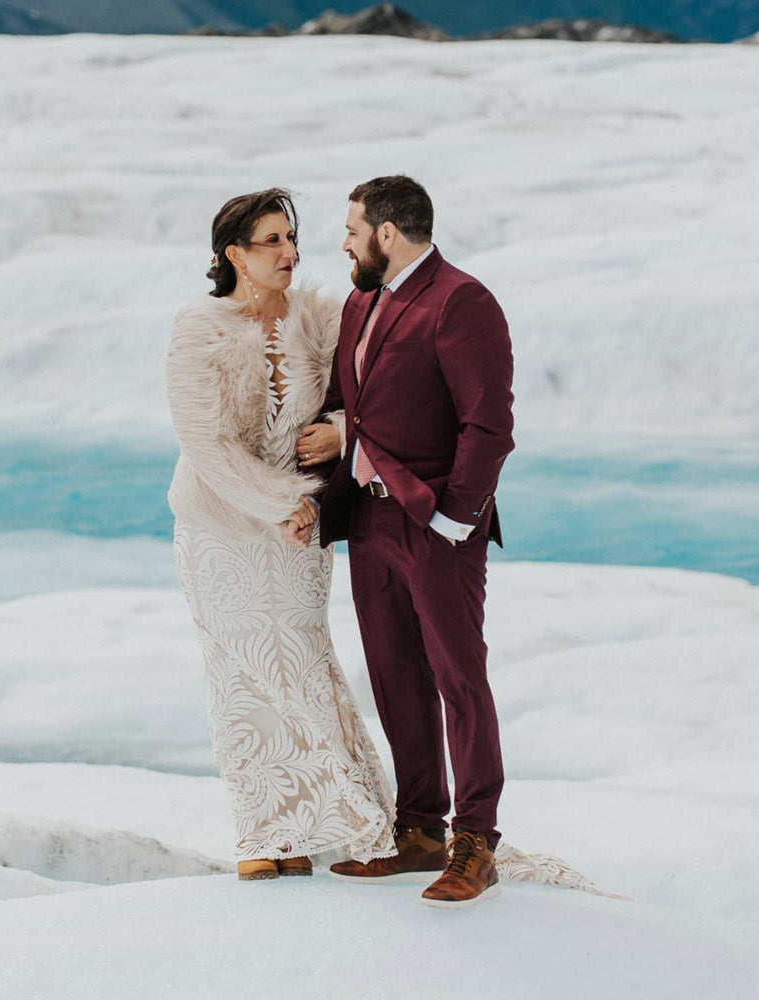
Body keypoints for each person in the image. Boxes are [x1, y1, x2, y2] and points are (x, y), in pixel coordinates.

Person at [166, 188, 396, 881]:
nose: (290, 252)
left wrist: (344, 436)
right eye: (272, 241)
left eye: (292, 238)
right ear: (234, 253)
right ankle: (264, 834)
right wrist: (279, 502)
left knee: (301, 659)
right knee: (240, 675)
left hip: (301, 529)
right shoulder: (196, 327)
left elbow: (378, 393)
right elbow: (203, 441)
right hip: (221, 527)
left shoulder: (322, 318)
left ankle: (332, 816)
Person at [315, 175, 515, 907]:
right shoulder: (360, 301)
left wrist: (454, 519)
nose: (344, 241)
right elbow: (356, 406)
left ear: (387, 233)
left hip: (435, 527)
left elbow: (489, 425)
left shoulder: (463, 301)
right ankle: (419, 831)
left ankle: (476, 842)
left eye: (351, 228)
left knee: (459, 680)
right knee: (396, 676)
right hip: (368, 521)